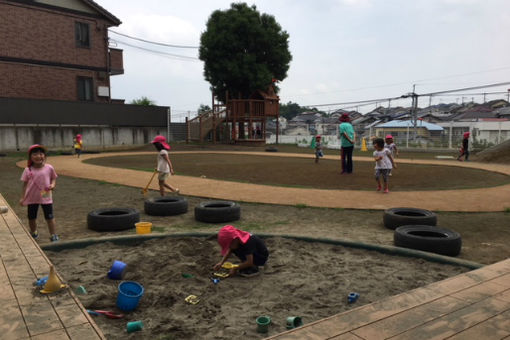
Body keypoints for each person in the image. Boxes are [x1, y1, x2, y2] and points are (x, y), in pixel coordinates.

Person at [19, 144, 60, 241]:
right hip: (32, 198)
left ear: (45, 156)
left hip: (46, 197)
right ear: (30, 157)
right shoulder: (27, 170)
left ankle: (53, 234)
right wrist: (22, 197)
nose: (38, 156)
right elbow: (25, 185)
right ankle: (34, 232)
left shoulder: (49, 168)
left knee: (50, 217)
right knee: (31, 217)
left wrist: (53, 185)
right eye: (35, 154)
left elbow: (53, 178)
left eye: (41, 154)